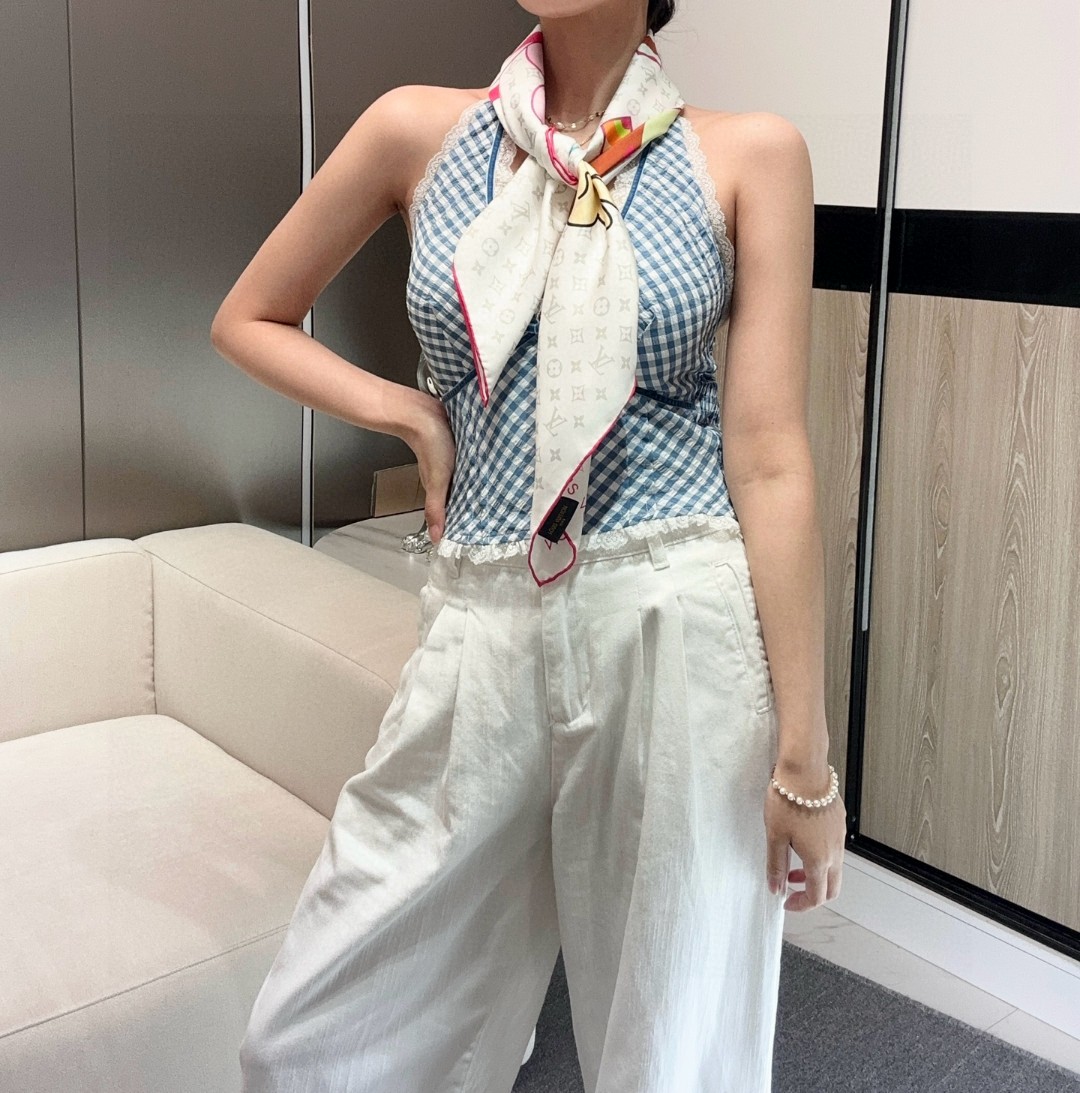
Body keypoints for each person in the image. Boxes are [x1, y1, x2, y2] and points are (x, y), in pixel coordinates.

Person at [211, 1, 847, 1089]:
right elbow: (251, 315)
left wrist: (806, 757)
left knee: (671, 1055)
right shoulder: (419, 131)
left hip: (672, 619)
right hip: (482, 617)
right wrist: (411, 412)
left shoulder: (749, 155)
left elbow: (770, 459)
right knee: (314, 1041)